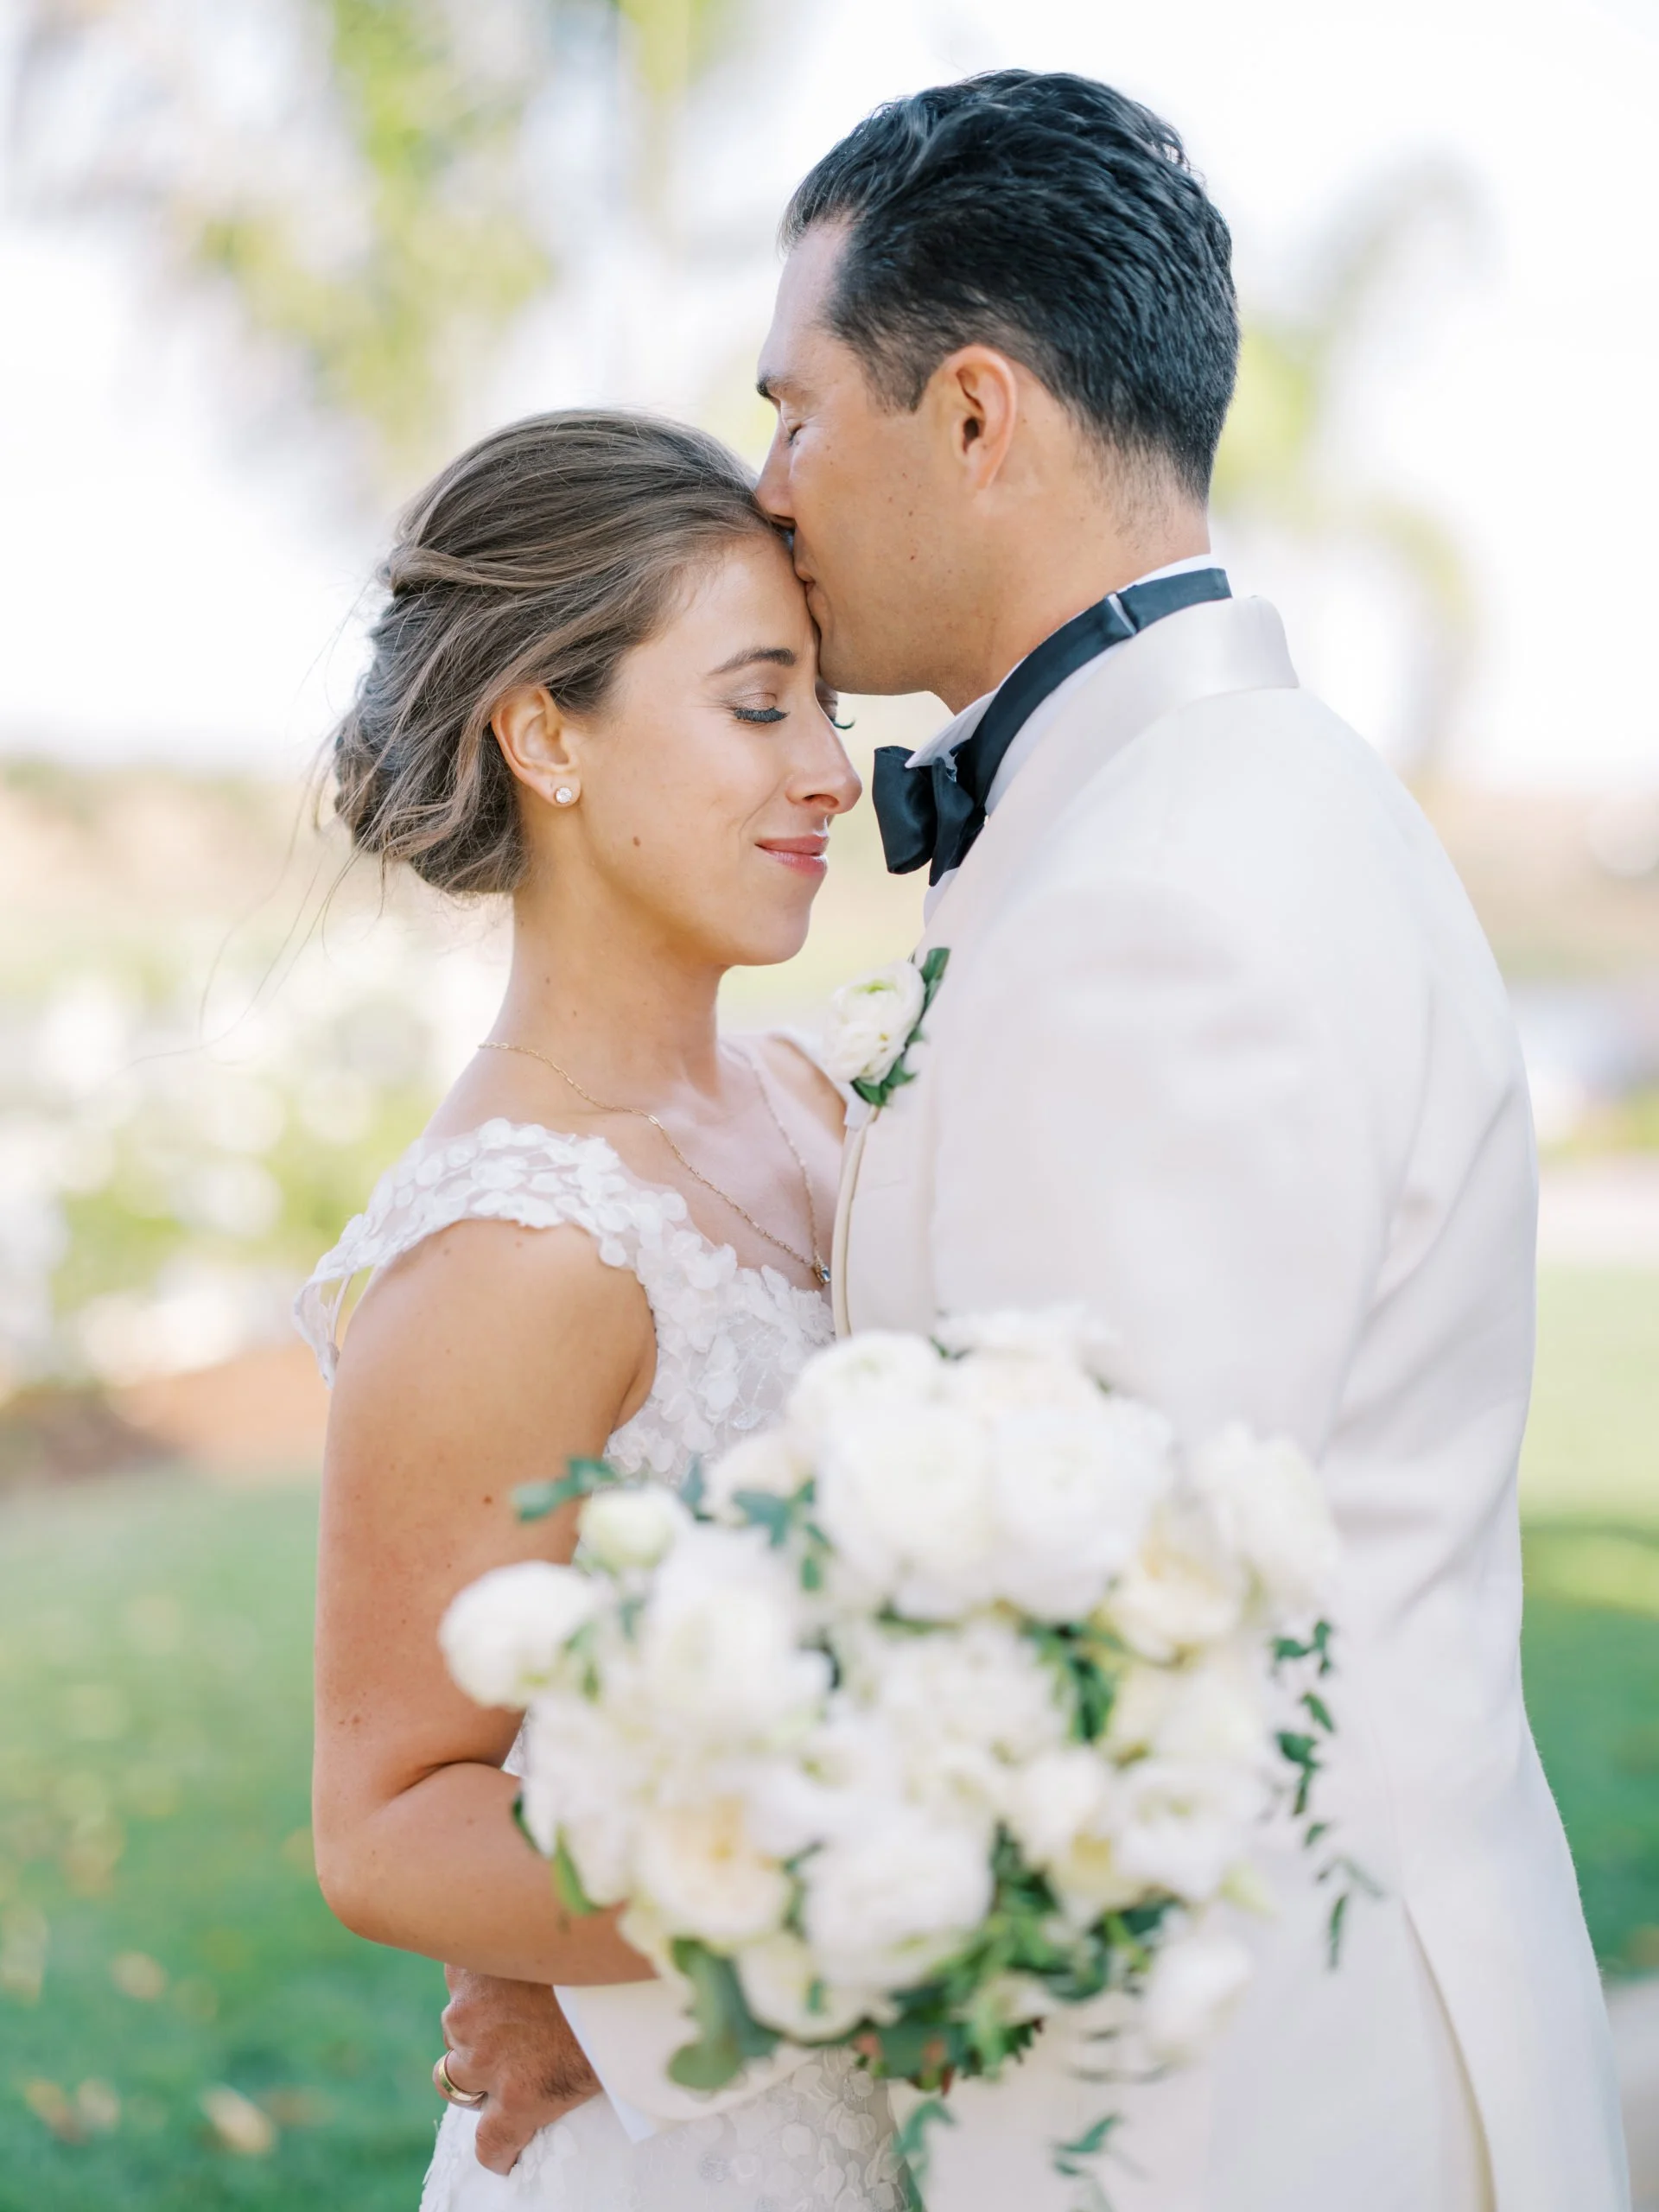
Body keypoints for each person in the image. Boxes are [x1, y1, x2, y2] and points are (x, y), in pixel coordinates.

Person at [457, 68, 1630, 2212]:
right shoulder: (1216, 808)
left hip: (1248, 2108)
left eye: (796, 410)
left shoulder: (1160, 899)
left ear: (976, 415)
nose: (770, 483)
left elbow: (1066, 1633)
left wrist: (607, 1974)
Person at [296, 410, 905, 2209]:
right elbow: (391, 1823)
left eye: (829, 710)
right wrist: (859, 1898)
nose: (830, 774)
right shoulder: (513, 1244)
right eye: (756, 701)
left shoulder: (820, 1102)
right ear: (546, 733)